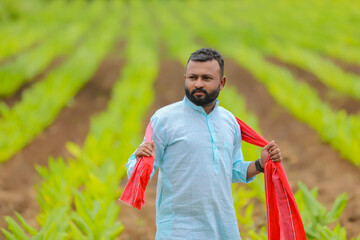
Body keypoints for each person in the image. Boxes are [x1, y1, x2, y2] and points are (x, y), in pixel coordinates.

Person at [126, 48, 282, 240]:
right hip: (179, 231)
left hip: (223, 230)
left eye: (206, 78)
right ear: (185, 78)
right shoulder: (164, 119)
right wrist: (139, 161)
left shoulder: (229, 122)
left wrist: (260, 164)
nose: (198, 84)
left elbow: (232, 170)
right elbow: (139, 173)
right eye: (193, 77)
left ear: (222, 83)